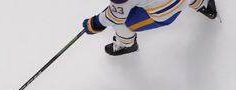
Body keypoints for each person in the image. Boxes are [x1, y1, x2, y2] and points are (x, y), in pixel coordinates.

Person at [82, 0, 218, 56]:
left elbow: (114, 18)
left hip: (165, 13)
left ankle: (126, 44)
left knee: (121, 22)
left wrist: (94, 24)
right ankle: (203, 4)